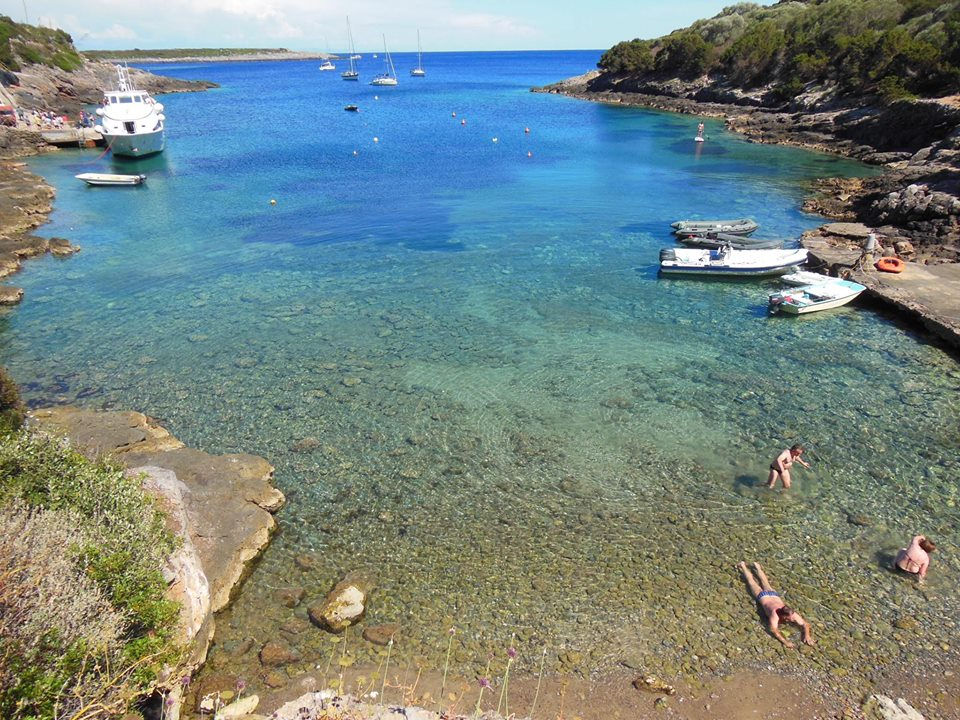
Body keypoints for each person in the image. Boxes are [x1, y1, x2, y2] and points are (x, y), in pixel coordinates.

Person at [738, 561, 814, 648]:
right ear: (784, 615)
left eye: (790, 617)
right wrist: (785, 642)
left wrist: (807, 635)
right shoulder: (775, 615)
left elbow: (806, 624)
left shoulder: (791, 613)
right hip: (763, 596)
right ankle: (743, 566)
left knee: (764, 581)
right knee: (752, 582)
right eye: (788, 618)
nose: (791, 619)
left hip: (772, 595)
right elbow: (774, 630)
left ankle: (756, 567)